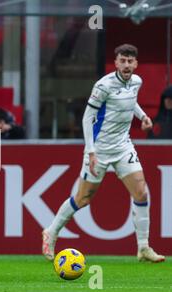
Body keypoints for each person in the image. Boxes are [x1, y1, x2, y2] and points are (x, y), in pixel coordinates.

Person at [42, 44, 165, 263]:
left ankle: (143, 247)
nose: (126, 65)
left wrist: (143, 116)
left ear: (135, 64)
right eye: (122, 60)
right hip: (99, 148)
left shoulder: (136, 82)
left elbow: (130, 102)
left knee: (142, 193)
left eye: (130, 61)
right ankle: (51, 232)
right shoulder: (103, 85)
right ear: (116, 63)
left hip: (123, 145)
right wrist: (90, 151)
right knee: (83, 198)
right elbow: (87, 117)